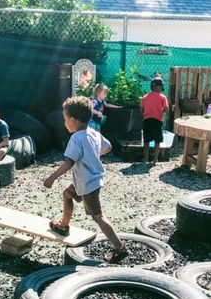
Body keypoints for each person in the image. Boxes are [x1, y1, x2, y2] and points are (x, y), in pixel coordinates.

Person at [43, 96, 128, 264]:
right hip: (86, 180)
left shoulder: (76, 138)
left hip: (88, 184)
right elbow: (108, 147)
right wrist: (93, 155)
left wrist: (51, 178)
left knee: (98, 216)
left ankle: (120, 248)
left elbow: (69, 162)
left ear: (73, 120)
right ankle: (63, 225)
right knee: (67, 194)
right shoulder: (93, 133)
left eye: (65, 119)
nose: (64, 122)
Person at [140, 78, 169, 164]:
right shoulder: (162, 97)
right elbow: (166, 109)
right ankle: (155, 159)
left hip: (147, 120)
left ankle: (145, 158)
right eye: (161, 87)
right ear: (158, 87)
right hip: (157, 120)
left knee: (146, 140)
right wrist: (160, 111)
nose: (161, 90)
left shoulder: (144, 97)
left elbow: (141, 109)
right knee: (157, 140)